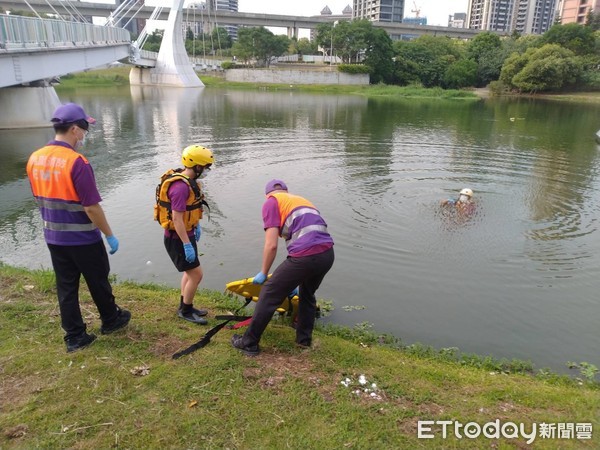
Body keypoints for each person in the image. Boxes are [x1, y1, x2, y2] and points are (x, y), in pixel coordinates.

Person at [26, 102, 131, 353]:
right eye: (84, 129)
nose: (84, 135)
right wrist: (109, 234)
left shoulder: (35, 158)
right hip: (83, 238)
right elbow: (91, 207)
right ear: (74, 129)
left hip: (53, 236)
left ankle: (74, 336)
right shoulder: (77, 162)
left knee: (66, 287)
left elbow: (39, 198)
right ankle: (111, 320)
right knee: (98, 280)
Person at [231, 179, 335, 356]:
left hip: (305, 255)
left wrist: (264, 272)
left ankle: (249, 343)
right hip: (327, 254)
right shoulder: (301, 200)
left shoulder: (271, 203)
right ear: (286, 191)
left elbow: (271, 245)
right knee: (307, 294)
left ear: (268, 194)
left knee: (269, 292)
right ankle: (303, 341)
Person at [157, 145, 214, 325]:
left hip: (185, 235)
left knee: (190, 274)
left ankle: (185, 306)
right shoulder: (180, 188)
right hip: (178, 238)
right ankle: (186, 311)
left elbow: (191, 210)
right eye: (205, 167)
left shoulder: (188, 181)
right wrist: (186, 244)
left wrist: (195, 226)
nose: (206, 171)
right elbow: (177, 218)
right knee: (196, 274)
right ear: (197, 166)